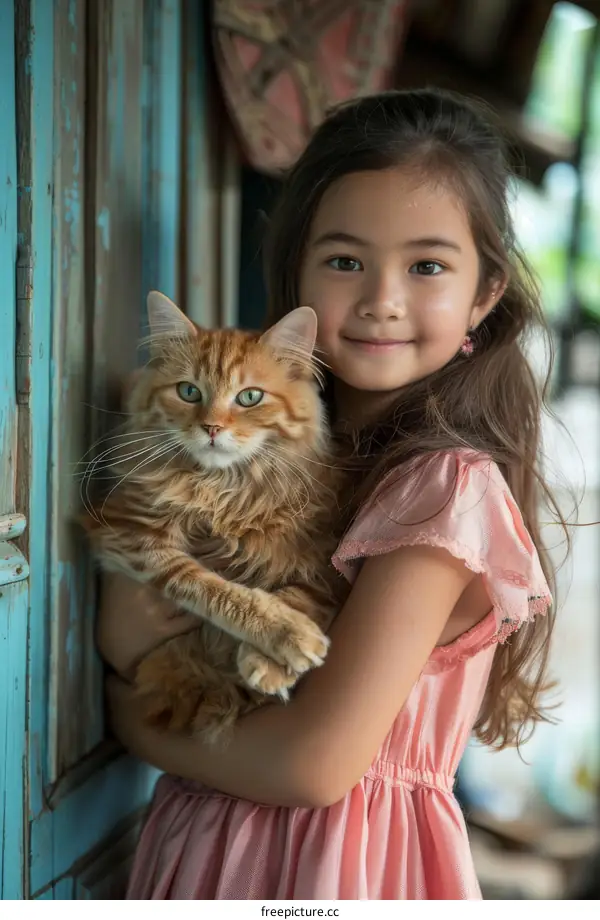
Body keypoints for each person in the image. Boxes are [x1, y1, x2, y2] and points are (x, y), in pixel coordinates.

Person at [99, 88, 562, 900]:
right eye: (346, 260)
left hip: (337, 868)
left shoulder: (442, 494)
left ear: (484, 297)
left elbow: (313, 765)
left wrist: (133, 720)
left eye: (426, 266)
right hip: (209, 844)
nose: (383, 297)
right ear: (296, 278)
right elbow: (133, 631)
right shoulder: (275, 462)